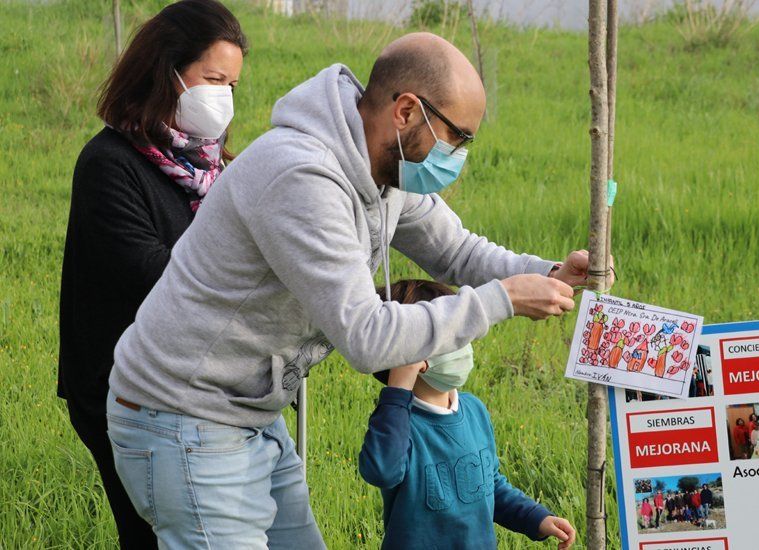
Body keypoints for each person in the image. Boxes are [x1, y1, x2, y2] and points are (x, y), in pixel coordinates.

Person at [106, 32, 613, 547]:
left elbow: (455, 250)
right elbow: (367, 335)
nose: (459, 155)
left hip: (245, 414)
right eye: (458, 137)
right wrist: (501, 300)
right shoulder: (302, 176)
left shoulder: (384, 168)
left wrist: (547, 271)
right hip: (183, 417)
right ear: (407, 112)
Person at [57, 1, 246, 547]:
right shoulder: (110, 164)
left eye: (232, 84)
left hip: (192, 380)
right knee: (156, 533)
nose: (224, 98)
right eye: (213, 79)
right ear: (166, 71)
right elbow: (161, 277)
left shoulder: (212, 165)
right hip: (121, 388)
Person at [358, 280, 575, 549]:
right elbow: (382, 472)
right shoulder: (398, 423)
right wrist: (398, 387)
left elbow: (489, 486)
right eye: (451, 335)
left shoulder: (473, 411)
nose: (463, 341)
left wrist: (535, 518)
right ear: (414, 358)